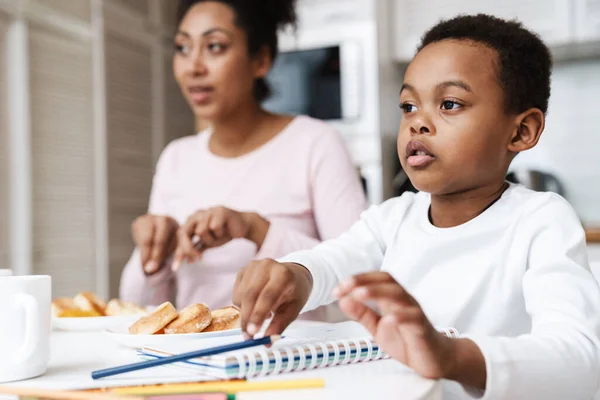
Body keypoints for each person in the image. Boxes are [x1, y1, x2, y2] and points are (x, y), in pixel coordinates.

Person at [232, 14, 600, 399]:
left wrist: (451, 356)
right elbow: (332, 262)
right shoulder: (392, 219)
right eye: (408, 106)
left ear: (522, 130)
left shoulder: (541, 222)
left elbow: (579, 361)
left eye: (450, 103)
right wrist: (295, 275)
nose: (417, 123)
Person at [119, 0, 367, 320]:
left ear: (261, 59)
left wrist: (256, 229)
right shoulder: (176, 158)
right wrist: (152, 254)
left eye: (215, 46)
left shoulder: (315, 143)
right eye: (182, 47)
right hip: (196, 361)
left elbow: (360, 280)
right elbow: (140, 306)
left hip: (288, 361)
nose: (193, 66)